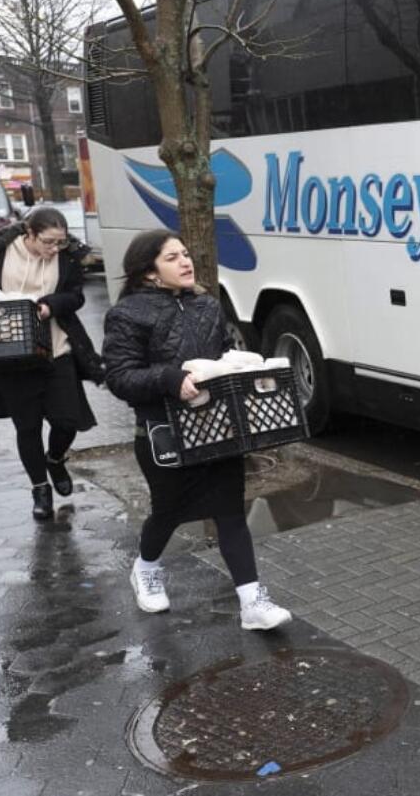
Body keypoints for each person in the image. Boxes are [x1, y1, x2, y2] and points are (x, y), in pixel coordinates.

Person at [101, 229, 292, 631]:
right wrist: (171, 379)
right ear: (149, 272)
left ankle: (252, 601)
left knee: (229, 511)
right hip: (162, 432)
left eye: (186, 254)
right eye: (172, 258)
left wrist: (239, 365)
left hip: (216, 425)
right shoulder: (127, 314)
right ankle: (146, 567)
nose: (186, 262)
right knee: (168, 512)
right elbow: (120, 377)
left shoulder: (207, 304)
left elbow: (221, 354)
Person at [0, 207, 103, 520]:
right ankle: (40, 489)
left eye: (61, 242)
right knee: (27, 427)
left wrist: (50, 305)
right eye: (49, 242)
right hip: (9, 354)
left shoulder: (67, 257)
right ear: (29, 234)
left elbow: (76, 296)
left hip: (56, 349)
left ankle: (55, 459)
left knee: (67, 421)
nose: (55, 249)